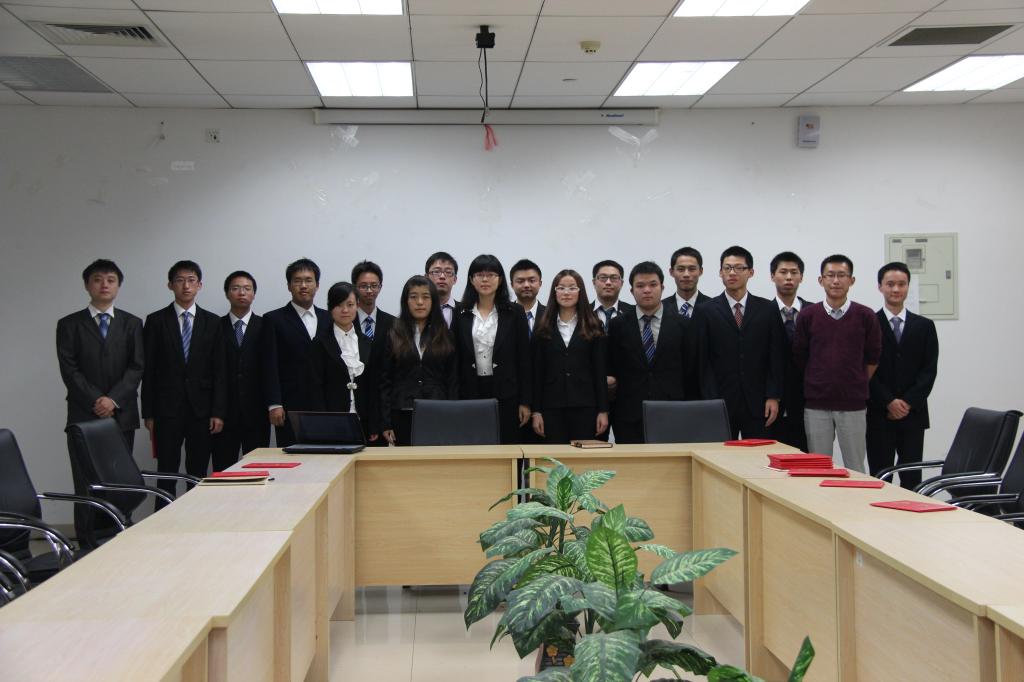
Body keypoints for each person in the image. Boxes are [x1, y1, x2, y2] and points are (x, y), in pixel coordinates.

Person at [56, 259, 144, 545]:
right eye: (97, 279)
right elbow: (69, 369)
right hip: (83, 414)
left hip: (121, 415)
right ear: (87, 285)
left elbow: (136, 367)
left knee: (119, 482)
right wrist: (97, 399)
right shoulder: (69, 324)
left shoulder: (132, 323)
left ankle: (118, 539)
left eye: (110, 280)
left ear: (118, 286)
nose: (104, 285)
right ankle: (86, 543)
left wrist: (113, 399)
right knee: (86, 482)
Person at [142, 260, 225, 507]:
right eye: (179, 280)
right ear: (170, 285)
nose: (186, 286)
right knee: (166, 469)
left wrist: (218, 411)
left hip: (202, 410)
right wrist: (148, 413)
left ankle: (194, 517)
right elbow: (149, 370)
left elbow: (219, 371)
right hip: (166, 409)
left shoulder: (213, 322)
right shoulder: (156, 321)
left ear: (200, 285)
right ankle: (162, 519)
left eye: (191, 280)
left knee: (197, 470)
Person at [793, 255, 882, 473]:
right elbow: (800, 356)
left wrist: (855, 380)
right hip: (816, 404)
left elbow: (873, 358)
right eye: (830, 275)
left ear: (851, 280)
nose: (835, 281)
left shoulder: (866, 316)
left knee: (855, 466)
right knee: (818, 468)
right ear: (820, 280)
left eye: (841, 275)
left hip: (853, 404)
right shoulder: (807, 316)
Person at [696, 246, 784, 439]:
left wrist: (773, 396)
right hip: (719, 401)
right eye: (727, 268)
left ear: (751, 272)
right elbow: (702, 360)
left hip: (759, 401)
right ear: (720, 272)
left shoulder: (768, 309)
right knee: (720, 454)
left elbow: (776, 356)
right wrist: (709, 399)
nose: (732, 273)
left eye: (739, 268)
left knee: (759, 455)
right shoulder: (705, 311)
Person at [607, 261, 698, 444]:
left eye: (653, 285)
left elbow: (690, 369)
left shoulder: (683, 324)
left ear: (662, 287)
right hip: (629, 413)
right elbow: (613, 366)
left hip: (672, 410)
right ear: (631, 291)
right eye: (640, 286)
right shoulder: (618, 325)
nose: (647, 290)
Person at [868, 262, 939, 489]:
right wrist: (888, 401)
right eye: (890, 284)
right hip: (879, 414)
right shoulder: (869, 323)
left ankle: (911, 513)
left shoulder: (924, 326)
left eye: (901, 284)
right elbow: (865, 370)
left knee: (912, 477)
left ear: (908, 286)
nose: (896, 289)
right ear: (880, 287)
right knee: (880, 476)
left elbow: (929, 370)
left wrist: (907, 402)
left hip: (913, 415)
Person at [454, 254, 532, 444]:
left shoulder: (515, 312)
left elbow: (524, 360)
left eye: (491, 275)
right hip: (470, 391)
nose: (485, 279)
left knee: (507, 444)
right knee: (473, 444)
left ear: (500, 279)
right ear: (471, 279)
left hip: (507, 393)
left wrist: (525, 402)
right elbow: (455, 359)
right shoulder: (461, 313)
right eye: (479, 275)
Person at [530, 270, 609, 443]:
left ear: (580, 292)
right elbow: (537, 373)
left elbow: (599, 371)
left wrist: (603, 410)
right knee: (554, 458)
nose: (566, 293)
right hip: (551, 407)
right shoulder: (542, 327)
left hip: (586, 406)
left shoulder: (593, 325)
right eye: (561, 288)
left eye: (572, 288)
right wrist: (536, 411)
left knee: (583, 457)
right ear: (554, 292)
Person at [380, 276, 458, 445]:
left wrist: (452, 414)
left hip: (438, 410)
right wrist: (386, 422)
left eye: (425, 297)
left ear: (433, 301)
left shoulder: (445, 335)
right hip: (402, 411)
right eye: (414, 297)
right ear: (406, 301)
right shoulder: (394, 333)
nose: (420, 302)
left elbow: (452, 380)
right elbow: (385, 380)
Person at [263, 258, 331, 447]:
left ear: (317, 285)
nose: (303, 286)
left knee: (327, 456)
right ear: (289, 286)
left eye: (309, 280)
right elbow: (269, 365)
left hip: (325, 404)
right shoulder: (273, 319)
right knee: (292, 456)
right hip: (290, 405)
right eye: (297, 281)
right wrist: (274, 403)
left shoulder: (329, 318)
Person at [212, 271, 269, 471]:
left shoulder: (265, 325)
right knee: (223, 467)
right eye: (235, 288)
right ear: (227, 293)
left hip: (257, 411)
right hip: (224, 413)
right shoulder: (214, 326)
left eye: (247, 289)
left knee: (257, 469)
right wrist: (216, 411)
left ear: (254, 294)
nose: (241, 293)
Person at [308, 282, 380, 439]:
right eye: (339, 305)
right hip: (332, 420)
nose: (345, 310)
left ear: (357, 305)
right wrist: (321, 422)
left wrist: (374, 423)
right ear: (330, 308)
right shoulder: (319, 343)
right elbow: (315, 387)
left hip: (364, 420)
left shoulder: (367, 342)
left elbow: (373, 386)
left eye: (350, 304)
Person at [768, 251, 812, 451]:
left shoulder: (815, 312)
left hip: (808, 400)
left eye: (794, 272)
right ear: (772, 276)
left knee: (807, 457)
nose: (788, 277)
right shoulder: (761, 312)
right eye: (783, 272)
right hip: (772, 403)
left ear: (801, 277)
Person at [352, 261, 394, 447]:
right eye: (363, 286)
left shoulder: (393, 323)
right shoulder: (344, 322)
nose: (369, 290)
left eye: (374, 285)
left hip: (381, 406)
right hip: (353, 405)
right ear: (355, 287)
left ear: (380, 287)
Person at [663, 246, 711, 319]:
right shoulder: (661, 308)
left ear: (701, 271)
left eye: (692, 269)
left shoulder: (713, 307)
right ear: (671, 272)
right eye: (681, 269)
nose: (686, 274)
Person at [591, 259, 634, 331]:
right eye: (603, 278)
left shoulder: (633, 312)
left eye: (614, 278)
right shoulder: (582, 313)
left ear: (621, 283)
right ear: (594, 282)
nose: (608, 282)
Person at [510, 259, 545, 338]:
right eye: (520, 281)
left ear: (540, 283)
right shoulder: (504, 315)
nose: (526, 285)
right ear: (512, 285)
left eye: (532, 281)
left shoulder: (550, 315)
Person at [425, 251, 461, 329]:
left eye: (448, 272)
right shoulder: (419, 310)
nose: (442, 276)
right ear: (426, 277)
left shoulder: (465, 312)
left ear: (455, 279)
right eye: (436, 271)